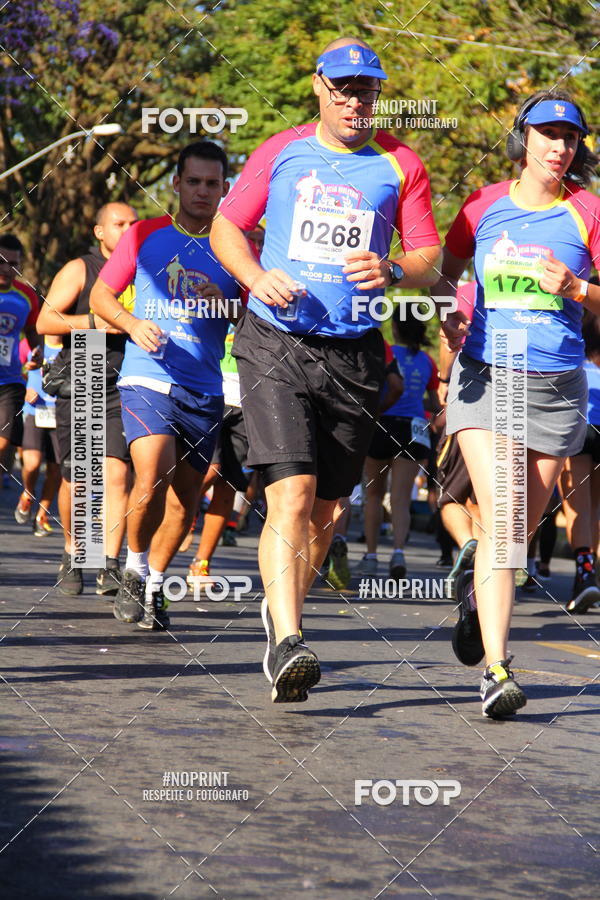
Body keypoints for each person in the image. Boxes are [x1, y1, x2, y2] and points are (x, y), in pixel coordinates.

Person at [210, 37, 441, 701]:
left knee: (328, 509)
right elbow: (226, 228)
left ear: (378, 94)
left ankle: (283, 610)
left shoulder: (401, 164)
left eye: (365, 90)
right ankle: (288, 639)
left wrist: (393, 268)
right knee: (292, 492)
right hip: (275, 341)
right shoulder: (281, 151)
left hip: (356, 351)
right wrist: (255, 275)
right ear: (319, 86)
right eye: (342, 88)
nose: (354, 101)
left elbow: (428, 256)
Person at [439, 90, 600, 718]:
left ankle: (476, 600)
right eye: (547, 134)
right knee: (505, 522)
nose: (559, 146)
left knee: (514, 534)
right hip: (490, 372)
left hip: (558, 385)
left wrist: (580, 288)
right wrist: (449, 317)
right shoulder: (482, 206)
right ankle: (498, 670)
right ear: (522, 138)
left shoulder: (588, 211)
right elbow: (445, 269)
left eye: (570, 137)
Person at [90, 141, 240, 631]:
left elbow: (260, 314)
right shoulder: (144, 234)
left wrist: (229, 304)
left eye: (212, 183)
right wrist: (132, 324)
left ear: (225, 188)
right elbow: (100, 296)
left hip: (205, 388)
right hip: (147, 375)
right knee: (151, 471)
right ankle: (133, 568)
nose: (202, 191)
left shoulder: (237, 246)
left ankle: (155, 582)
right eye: (192, 181)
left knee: (184, 501)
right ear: (175, 183)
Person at [37, 203, 138, 596]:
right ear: (99, 231)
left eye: (133, 223)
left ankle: (109, 564)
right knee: (80, 478)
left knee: (117, 473)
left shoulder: (145, 269)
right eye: (119, 223)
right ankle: (74, 550)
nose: (128, 229)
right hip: (85, 369)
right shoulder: (81, 268)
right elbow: (46, 321)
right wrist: (98, 322)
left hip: (129, 376)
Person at [357, 304, 439, 580]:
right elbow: (435, 404)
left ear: (394, 327)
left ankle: (370, 556)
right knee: (401, 498)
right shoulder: (428, 361)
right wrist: (416, 401)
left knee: (374, 494)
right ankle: (399, 553)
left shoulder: (385, 353)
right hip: (414, 429)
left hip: (382, 424)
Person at [558, 307, 600, 612]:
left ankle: (585, 576)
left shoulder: (571, 352)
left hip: (579, 429)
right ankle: (591, 577)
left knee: (577, 509)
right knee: (595, 510)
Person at [0, 235, 42, 483]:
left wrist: (38, 354)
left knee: (3, 443)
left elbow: (33, 332)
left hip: (10, 382)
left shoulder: (27, 296)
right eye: (1, 262)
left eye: (13, 264)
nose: (7, 269)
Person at [14, 336, 62, 535]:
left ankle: (42, 515)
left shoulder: (73, 344)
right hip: (35, 412)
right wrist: (25, 389)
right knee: (32, 464)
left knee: (55, 469)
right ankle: (28, 492)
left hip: (62, 413)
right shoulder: (31, 342)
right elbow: (14, 370)